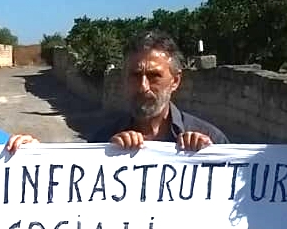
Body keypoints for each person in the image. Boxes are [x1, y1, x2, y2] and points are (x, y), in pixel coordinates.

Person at [89, 30, 226, 151]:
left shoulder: (212, 138)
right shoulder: (101, 140)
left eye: (154, 76)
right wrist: (106, 154)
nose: (143, 87)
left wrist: (209, 155)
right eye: (135, 76)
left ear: (175, 81)